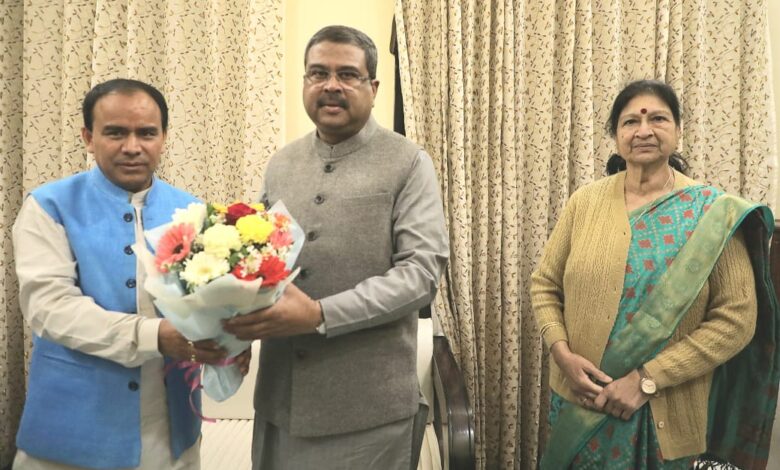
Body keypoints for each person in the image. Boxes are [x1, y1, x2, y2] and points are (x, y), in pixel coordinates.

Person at [222, 25, 449, 469]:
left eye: (347, 74)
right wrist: (232, 327)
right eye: (318, 73)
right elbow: (255, 260)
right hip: (280, 402)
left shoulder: (408, 162)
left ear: (373, 87)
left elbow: (421, 274)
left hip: (368, 413)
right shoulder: (281, 163)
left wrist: (320, 314)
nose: (331, 85)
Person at [531, 79, 779, 469]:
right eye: (631, 121)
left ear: (678, 131)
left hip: (666, 414)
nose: (643, 130)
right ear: (616, 136)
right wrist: (561, 354)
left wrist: (647, 379)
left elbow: (737, 320)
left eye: (658, 119)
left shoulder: (712, 213)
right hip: (579, 403)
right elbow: (544, 285)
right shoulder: (584, 203)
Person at [12, 79, 233, 469]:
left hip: (172, 432)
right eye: (115, 133)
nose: (132, 146)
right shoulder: (49, 206)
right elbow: (50, 309)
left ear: (164, 137)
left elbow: (212, 303)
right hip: (71, 436)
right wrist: (154, 335)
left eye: (146, 133)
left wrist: (231, 343)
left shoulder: (193, 211)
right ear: (88, 137)